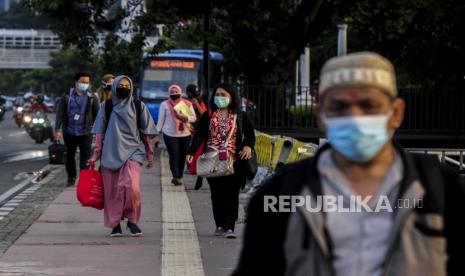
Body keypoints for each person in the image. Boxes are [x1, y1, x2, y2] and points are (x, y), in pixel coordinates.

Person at [233, 52, 465, 276]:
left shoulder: (443, 189)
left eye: (369, 105)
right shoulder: (278, 194)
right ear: (321, 114)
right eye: (340, 106)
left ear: (396, 112)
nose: (355, 117)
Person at [89, 75, 157, 237]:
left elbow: (146, 133)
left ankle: (132, 221)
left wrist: (150, 154)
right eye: (121, 85)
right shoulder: (107, 106)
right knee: (113, 191)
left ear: (132, 88)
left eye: (127, 85)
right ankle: (115, 224)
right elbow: (100, 134)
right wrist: (95, 156)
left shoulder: (138, 105)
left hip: (133, 152)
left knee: (131, 187)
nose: (124, 88)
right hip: (110, 154)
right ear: (114, 88)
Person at [187, 83, 255, 239]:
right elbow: (200, 135)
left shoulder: (240, 116)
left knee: (232, 194)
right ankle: (219, 224)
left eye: (223, 95)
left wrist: (248, 147)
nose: (220, 98)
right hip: (212, 161)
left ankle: (230, 227)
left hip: (234, 161)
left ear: (231, 97)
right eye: (217, 94)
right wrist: (191, 152)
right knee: (216, 194)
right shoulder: (209, 115)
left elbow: (250, 134)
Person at [55, 72, 100, 186]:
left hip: (86, 132)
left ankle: (84, 179)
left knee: (85, 156)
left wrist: (98, 131)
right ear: (76, 82)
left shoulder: (92, 97)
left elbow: (98, 115)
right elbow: (60, 114)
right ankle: (71, 178)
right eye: (82, 82)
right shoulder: (66, 97)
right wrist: (58, 130)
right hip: (69, 131)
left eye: (87, 82)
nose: (84, 84)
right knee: (69, 155)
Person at [156, 84, 196, 185]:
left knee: (182, 156)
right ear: (169, 93)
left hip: (185, 134)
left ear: (180, 92)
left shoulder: (187, 103)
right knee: (174, 155)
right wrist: (156, 134)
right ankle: (175, 176)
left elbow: (193, 118)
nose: (175, 94)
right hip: (169, 134)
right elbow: (160, 121)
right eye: (172, 92)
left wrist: (185, 118)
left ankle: (179, 176)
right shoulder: (164, 104)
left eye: (176, 92)